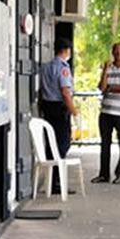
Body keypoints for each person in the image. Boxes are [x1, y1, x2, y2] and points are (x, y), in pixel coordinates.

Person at [39, 38, 78, 194]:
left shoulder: (46, 67)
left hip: (48, 108)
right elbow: (65, 92)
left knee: (51, 145)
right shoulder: (63, 68)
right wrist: (74, 111)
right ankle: (56, 182)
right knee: (62, 145)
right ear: (67, 50)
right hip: (59, 109)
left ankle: (51, 181)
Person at [95, 42, 120, 184]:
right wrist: (105, 70)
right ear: (112, 52)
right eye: (116, 50)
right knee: (104, 143)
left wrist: (109, 88)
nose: (118, 53)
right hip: (106, 111)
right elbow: (101, 87)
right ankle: (103, 174)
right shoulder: (109, 68)